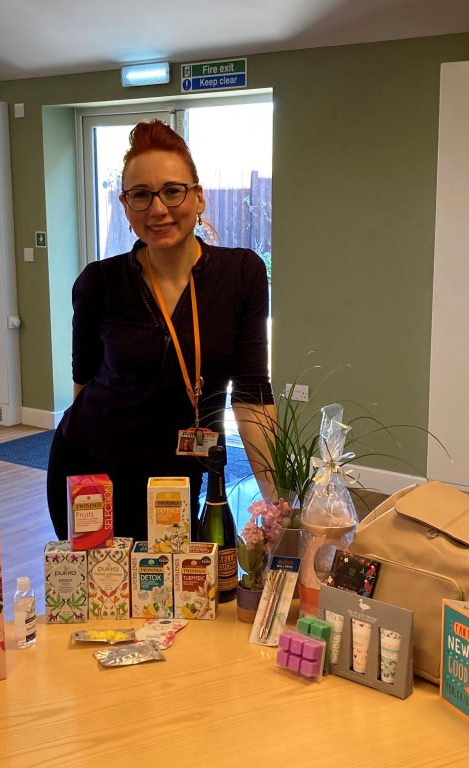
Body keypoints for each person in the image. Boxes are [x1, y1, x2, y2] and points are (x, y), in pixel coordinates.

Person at [47, 119, 277, 543]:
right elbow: (84, 387)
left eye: (173, 191)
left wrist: (279, 507)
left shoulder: (241, 275)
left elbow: (252, 399)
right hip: (94, 471)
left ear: (198, 196)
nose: (158, 209)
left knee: (181, 582)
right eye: (141, 194)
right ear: (126, 205)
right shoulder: (99, 282)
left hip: (180, 475)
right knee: (103, 585)